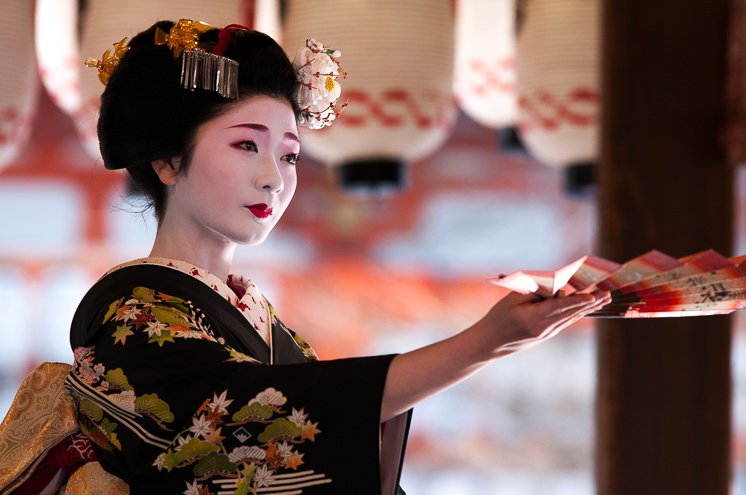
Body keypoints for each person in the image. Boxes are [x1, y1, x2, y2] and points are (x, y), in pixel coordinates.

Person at [0, 19, 609, 495]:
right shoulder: (131, 311)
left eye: (289, 155)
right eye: (246, 145)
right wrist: (483, 342)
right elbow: (251, 415)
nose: (274, 178)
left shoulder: (258, 318)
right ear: (167, 161)